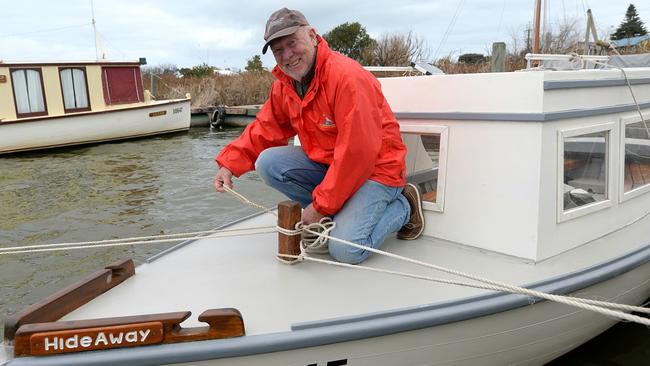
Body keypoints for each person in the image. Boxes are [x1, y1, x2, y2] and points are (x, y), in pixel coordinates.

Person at [214, 8, 424, 264]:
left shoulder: (347, 78)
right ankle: (338, 211)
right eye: (278, 50)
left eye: (292, 43)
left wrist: (319, 208)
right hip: (333, 166)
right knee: (268, 163)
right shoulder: (285, 85)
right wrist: (229, 165)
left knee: (346, 250)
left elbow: (357, 155)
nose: (287, 55)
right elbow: (266, 128)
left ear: (312, 36)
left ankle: (405, 207)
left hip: (378, 171)